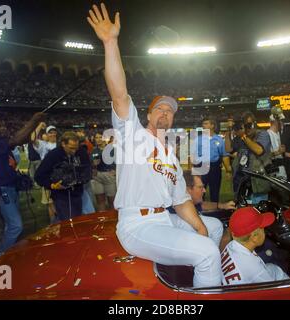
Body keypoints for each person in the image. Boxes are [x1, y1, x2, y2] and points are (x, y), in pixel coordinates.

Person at [87, 3, 223, 287]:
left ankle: (195, 276)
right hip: (138, 225)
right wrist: (110, 43)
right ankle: (204, 281)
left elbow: (181, 200)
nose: (164, 112)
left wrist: (199, 227)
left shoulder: (171, 157)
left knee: (214, 226)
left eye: (170, 110)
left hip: (164, 219)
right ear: (148, 115)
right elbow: (120, 94)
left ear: (173, 118)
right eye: (159, 108)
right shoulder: (132, 133)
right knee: (209, 251)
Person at [0, 113, 45, 257]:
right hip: (1, 189)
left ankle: (10, 253)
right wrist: (34, 120)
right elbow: (18, 139)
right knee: (16, 226)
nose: (3, 128)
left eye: (3, 125)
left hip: (9, 187)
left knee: (10, 225)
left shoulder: (0, 141)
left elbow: (17, 139)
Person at [221, 207, 289, 285]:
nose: (265, 232)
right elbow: (271, 293)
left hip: (236, 283)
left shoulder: (231, 245)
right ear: (255, 238)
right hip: (247, 293)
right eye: (263, 228)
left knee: (273, 268)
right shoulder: (255, 269)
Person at [34, 131, 91, 221]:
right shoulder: (53, 155)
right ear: (63, 144)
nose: (74, 151)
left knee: (76, 219)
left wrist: (82, 177)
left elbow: (88, 168)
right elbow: (39, 176)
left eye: (76, 148)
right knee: (66, 221)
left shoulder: (81, 152)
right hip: (61, 195)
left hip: (77, 193)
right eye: (71, 148)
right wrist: (51, 185)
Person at [225, 111, 272, 203]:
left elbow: (259, 150)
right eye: (245, 126)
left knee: (257, 212)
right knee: (243, 213)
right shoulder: (241, 138)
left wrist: (243, 136)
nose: (247, 128)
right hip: (240, 182)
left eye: (249, 125)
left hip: (257, 183)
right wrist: (228, 132)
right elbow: (228, 149)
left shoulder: (262, 134)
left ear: (255, 123)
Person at [194, 118, 231, 202]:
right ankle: (199, 212)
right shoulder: (198, 140)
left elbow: (224, 156)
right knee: (199, 192)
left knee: (215, 192)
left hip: (215, 168)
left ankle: (214, 212)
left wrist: (228, 170)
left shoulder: (219, 140)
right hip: (201, 167)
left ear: (212, 125)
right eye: (203, 124)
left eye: (206, 123)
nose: (204, 125)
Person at [31, 123, 58, 223]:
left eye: (54, 132)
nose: (52, 134)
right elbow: (32, 139)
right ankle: (53, 223)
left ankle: (60, 220)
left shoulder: (60, 144)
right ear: (46, 134)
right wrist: (39, 125)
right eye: (50, 133)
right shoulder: (43, 145)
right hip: (47, 177)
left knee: (59, 200)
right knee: (50, 202)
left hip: (59, 176)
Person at [91, 132, 116, 211]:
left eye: (100, 137)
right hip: (98, 176)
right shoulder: (94, 150)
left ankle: (112, 221)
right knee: (100, 200)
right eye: (96, 137)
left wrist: (115, 171)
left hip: (109, 175)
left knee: (111, 201)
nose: (98, 139)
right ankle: (102, 219)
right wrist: (93, 166)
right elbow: (93, 162)